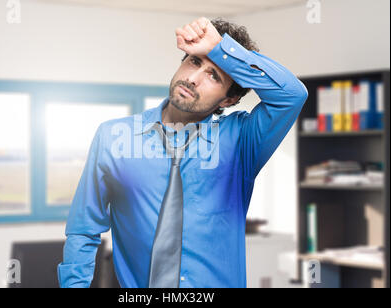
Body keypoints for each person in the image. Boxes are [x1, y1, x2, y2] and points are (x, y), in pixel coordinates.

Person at [58, 17, 308, 288]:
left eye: (214, 75)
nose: (192, 79)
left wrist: (220, 49)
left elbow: (291, 96)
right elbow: (83, 230)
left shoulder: (241, 142)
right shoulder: (112, 137)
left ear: (229, 99)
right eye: (194, 62)